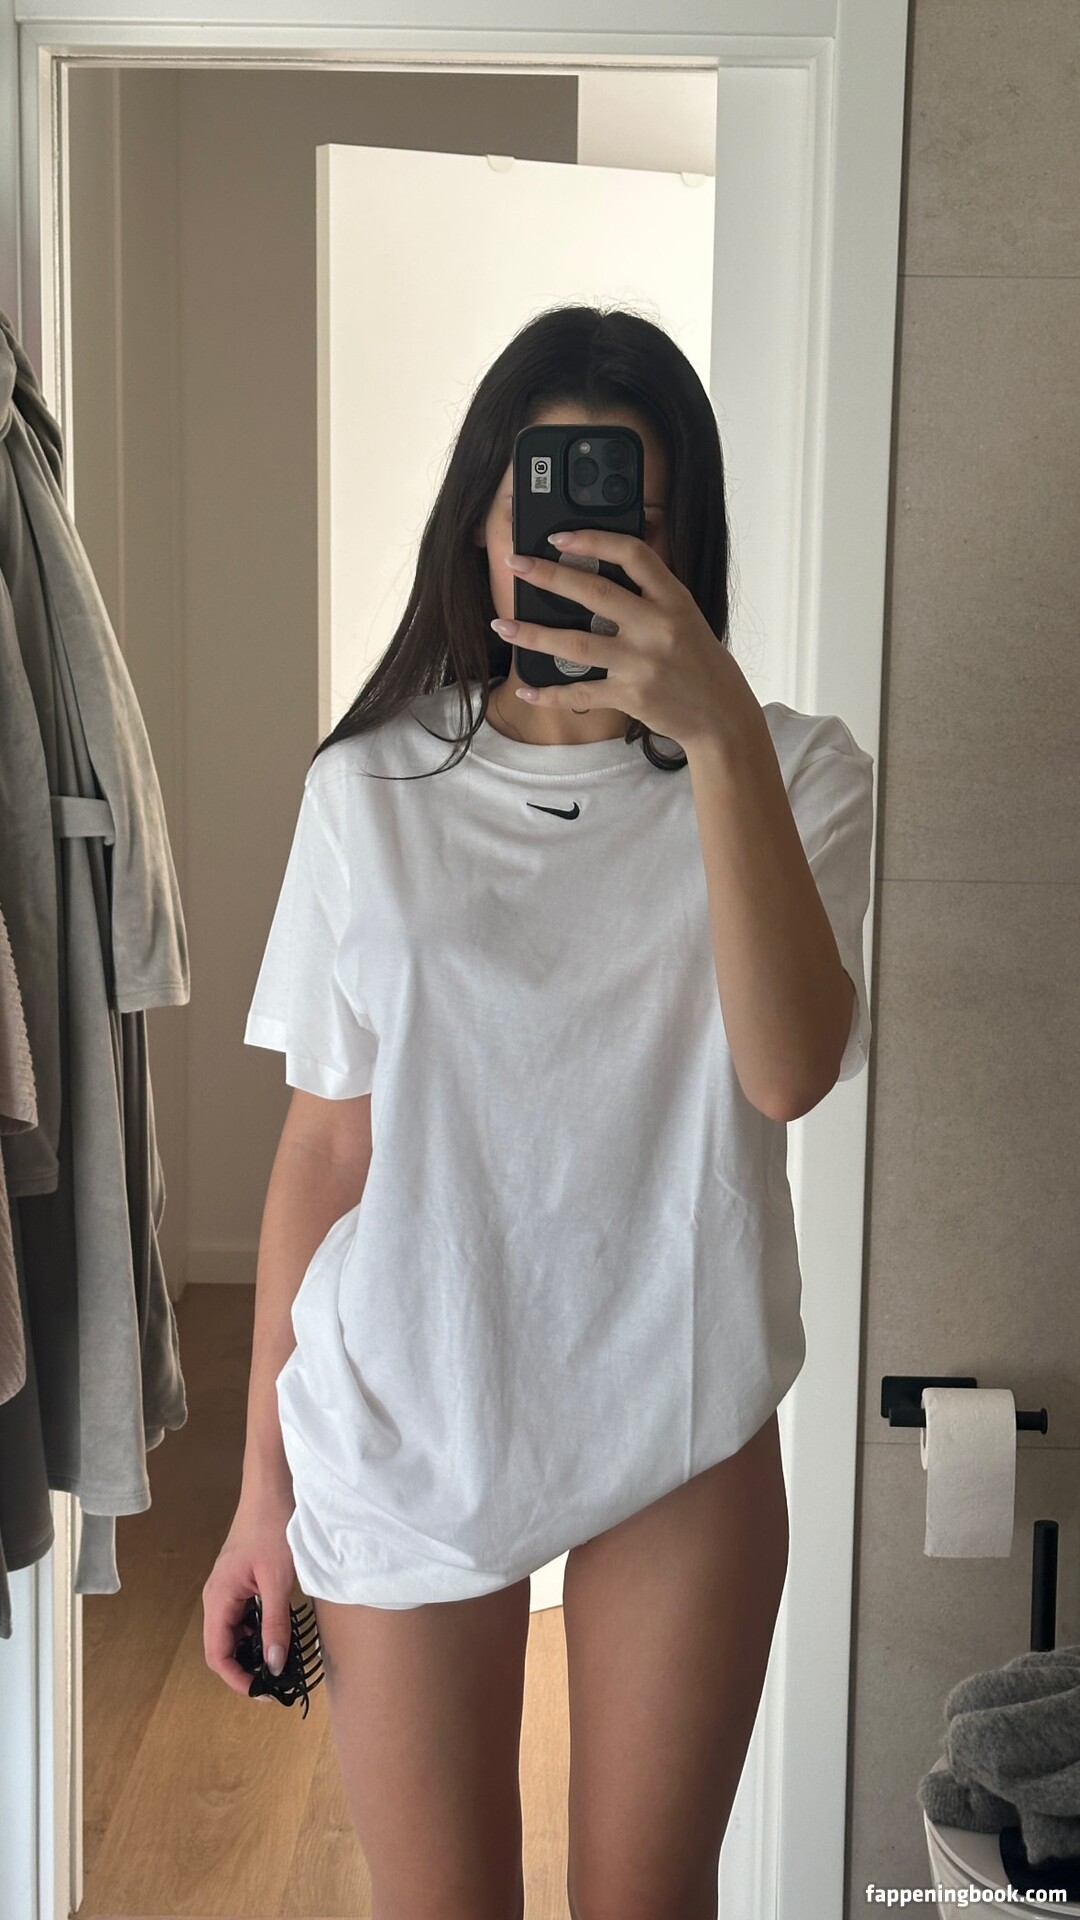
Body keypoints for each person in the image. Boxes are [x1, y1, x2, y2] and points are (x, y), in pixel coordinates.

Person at [202, 303, 874, 1920]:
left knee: (648, 1899)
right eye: (541, 509)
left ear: (686, 546)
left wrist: (715, 730)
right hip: (406, 1406)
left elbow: (789, 1071)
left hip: (682, 1397)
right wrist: (257, 1494)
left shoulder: (798, 773)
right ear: (482, 530)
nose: (576, 551)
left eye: (628, 519)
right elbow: (327, 1147)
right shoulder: (368, 790)